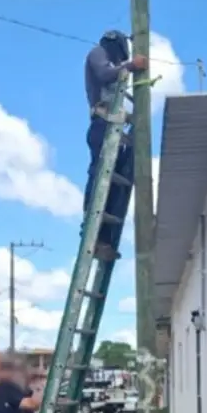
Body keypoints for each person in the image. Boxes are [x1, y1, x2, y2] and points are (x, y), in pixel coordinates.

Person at [84, 29, 147, 259]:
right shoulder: (98, 54)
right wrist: (131, 65)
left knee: (114, 181)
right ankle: (91, 230)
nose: (120, 62)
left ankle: (105, 241)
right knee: (99, 174)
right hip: (102, 126)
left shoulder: (113, 63)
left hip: (113, 128)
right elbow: (103, 74)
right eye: (121, 56)